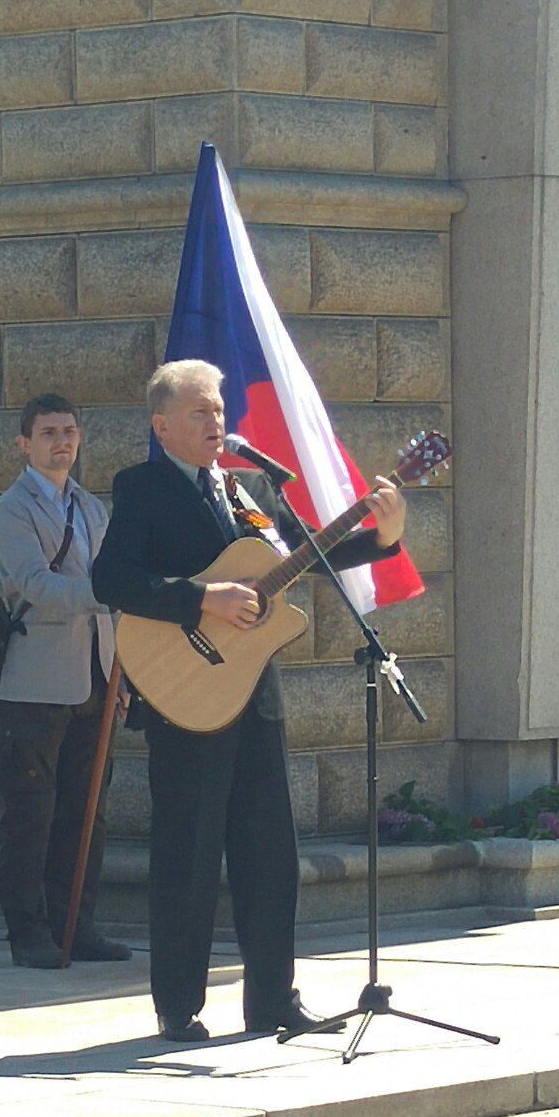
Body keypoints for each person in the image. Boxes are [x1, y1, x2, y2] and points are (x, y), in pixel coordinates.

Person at [91, 360, 407, 1041]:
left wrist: (382, 538)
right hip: (185, 694)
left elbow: (300, 558)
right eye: (200, 412)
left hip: (252, 693)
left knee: (270, 852)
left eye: (218, 410)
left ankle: (272, 1000)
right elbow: (111, 578)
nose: (215, 423)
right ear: (162, 425)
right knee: (189, 852)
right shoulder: (141, 488)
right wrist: (202, 598)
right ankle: (178, 1006)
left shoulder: (247, 489)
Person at [0, 393, 131, 968]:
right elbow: (32, 583)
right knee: (30, 814)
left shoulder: (93, 509)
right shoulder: (11, 509)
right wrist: (106, 594)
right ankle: (28, 933)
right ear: (25, 444)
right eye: (48, 432)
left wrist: (123, 676)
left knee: (86, 810)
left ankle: (78, 923)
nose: (62, 441)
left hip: (96, 677)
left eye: (69, 430)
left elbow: (116, 603)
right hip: (35, 682)